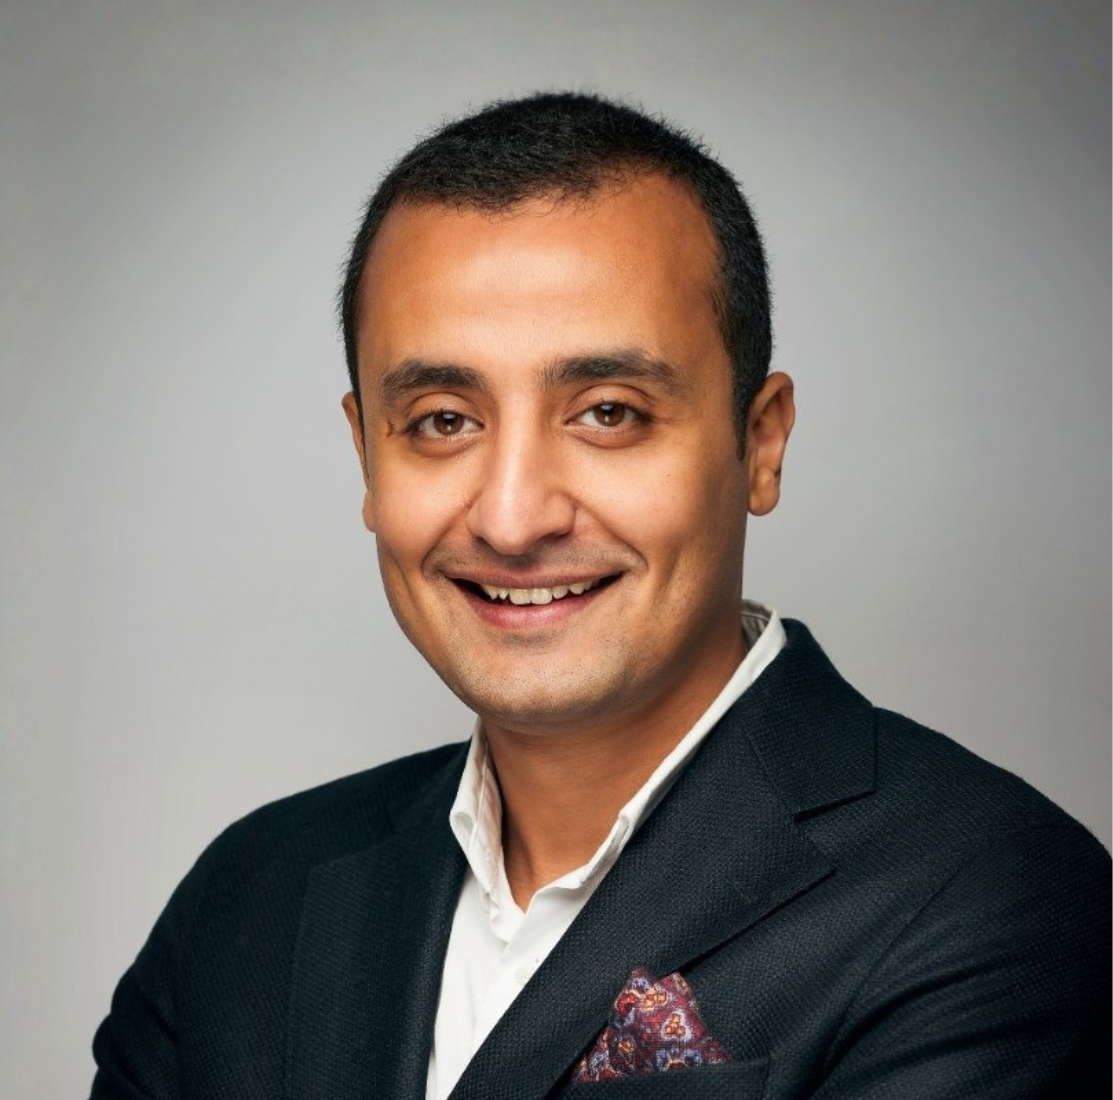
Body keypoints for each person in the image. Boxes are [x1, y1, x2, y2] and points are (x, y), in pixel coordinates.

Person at [89, 93, 1109, 1098]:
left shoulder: (992, 901)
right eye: (444, 420)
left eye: (608, 412)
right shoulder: (253, 893)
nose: (513, 514)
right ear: (366, 453)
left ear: (761, 441)